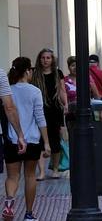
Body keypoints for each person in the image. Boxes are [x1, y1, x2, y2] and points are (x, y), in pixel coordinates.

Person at [3, 58, 50, 221]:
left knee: (12, 177)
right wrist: (47, 142)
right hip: (32, 140)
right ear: (27, 71)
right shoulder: (34, 91)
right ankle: (29, 214)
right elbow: (40, 118)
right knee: (30, 176)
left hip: (12, 139)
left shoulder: (7, 91)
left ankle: (9, 203)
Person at [31, 48, 67, 180]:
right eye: (42, 58)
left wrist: (66, 104)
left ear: (52, 60)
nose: (45, 60)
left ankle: (55, 169)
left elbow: (62, 90)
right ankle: (41, 172)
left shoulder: (58, 73)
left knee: (55, 140)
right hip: (39, 109)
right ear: (39, 59)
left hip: (55, 110)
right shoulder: (35, 74)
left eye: (48, 58)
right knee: (39, 140)